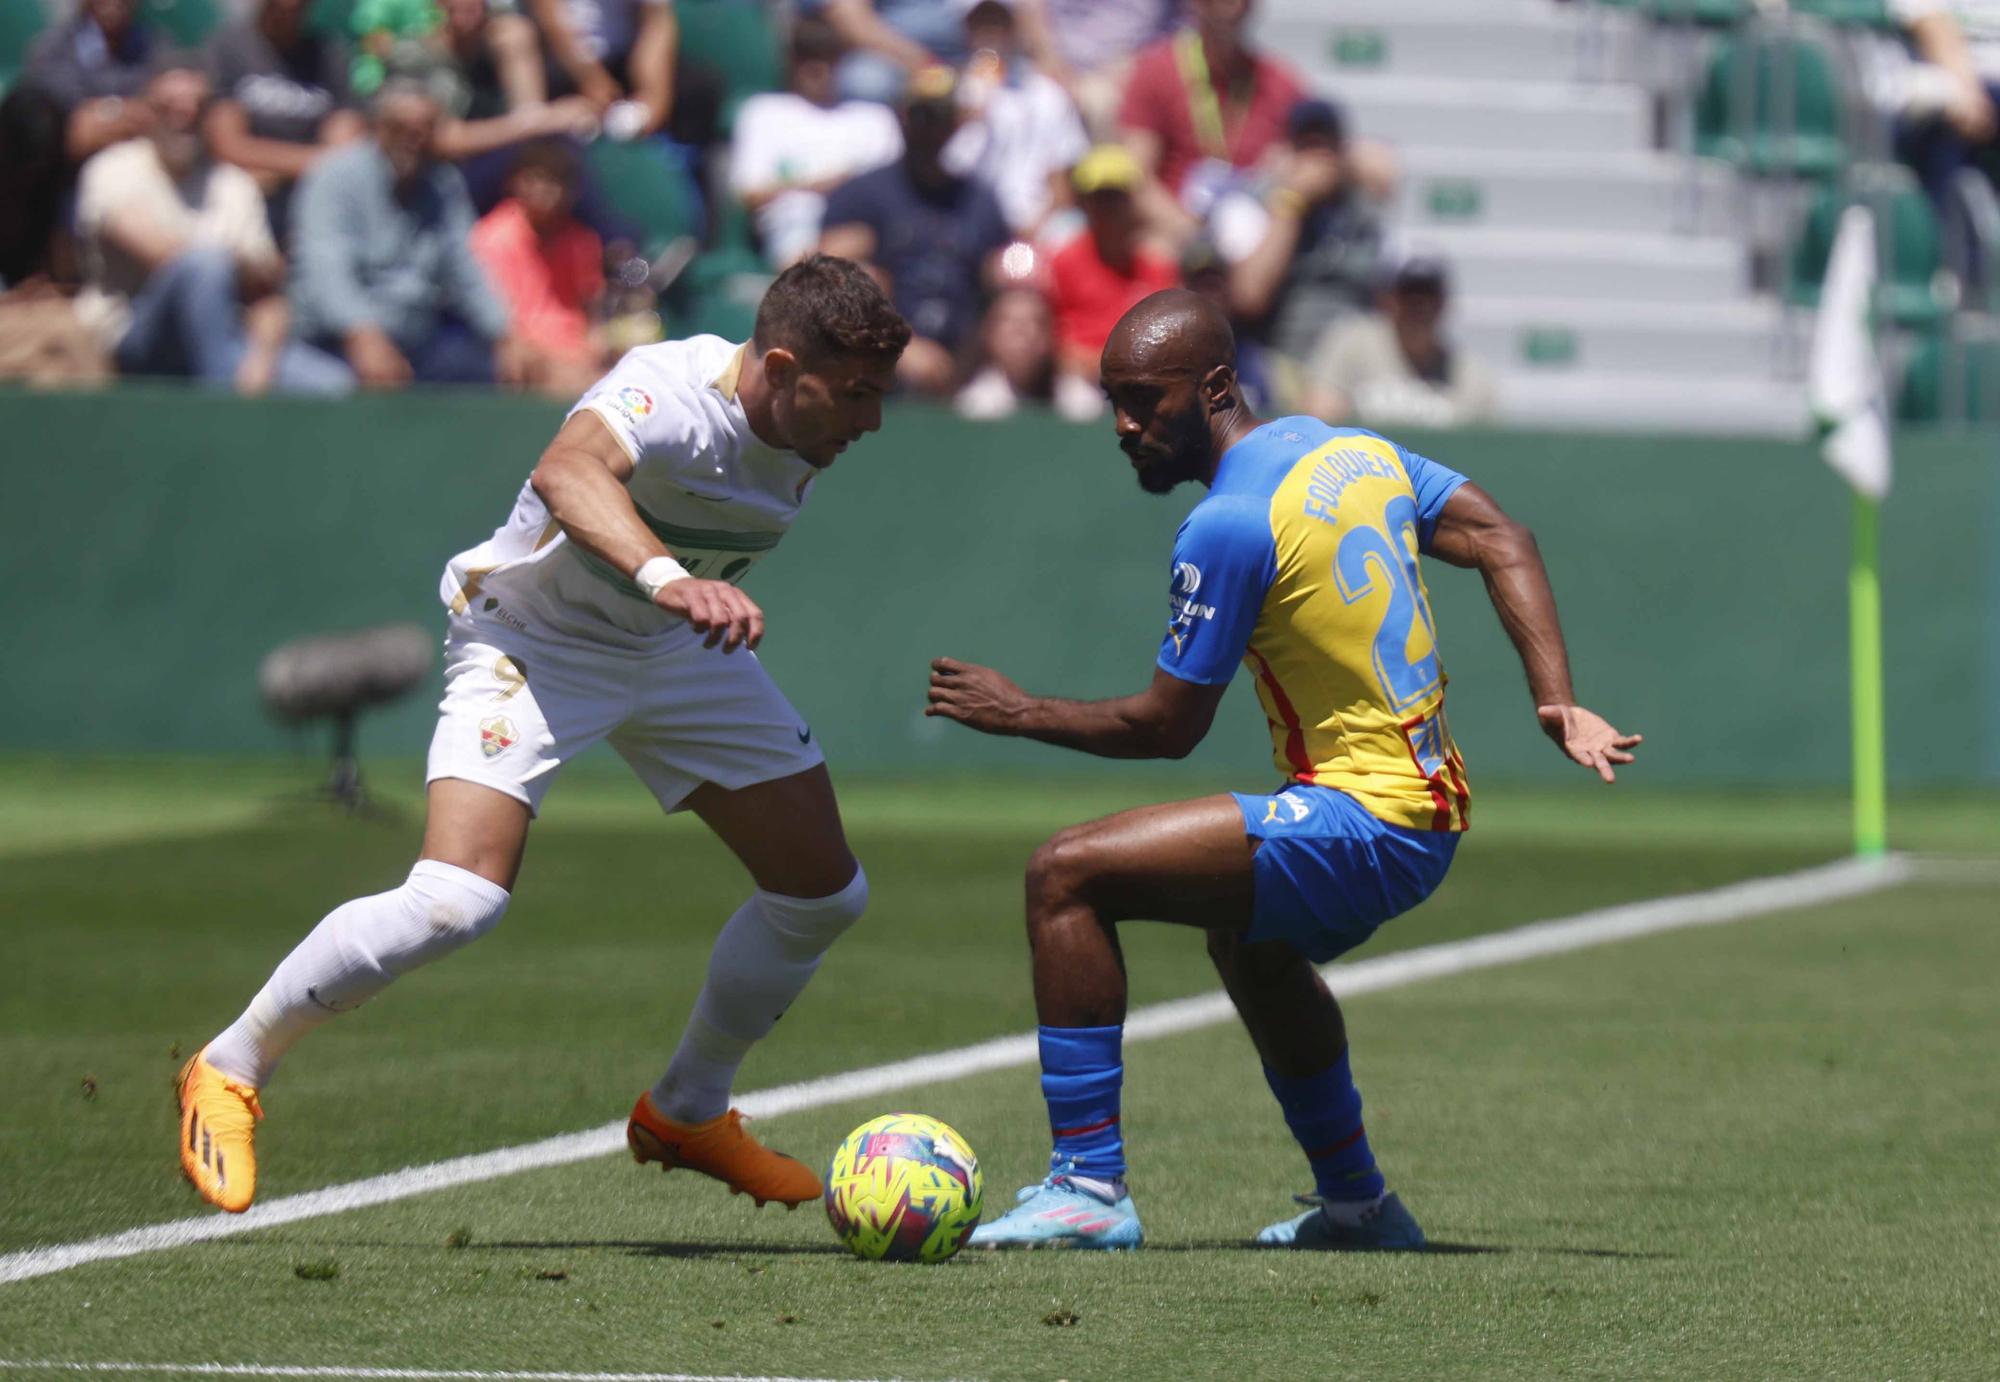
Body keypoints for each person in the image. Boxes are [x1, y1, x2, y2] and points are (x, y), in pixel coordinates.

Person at [176, 255, 912, 1216]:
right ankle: (229, 1066)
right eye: (855, 394)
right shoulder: (670, 389)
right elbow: (567, 468)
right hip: (533, 641)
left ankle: (688, 1109)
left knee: (823, 896)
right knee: (456, 900)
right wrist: (666, 579)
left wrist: (669, 602)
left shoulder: (803, 429)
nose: (872, 421)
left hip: (675, 650)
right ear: (778, 364)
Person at [926, 288, 1640, 1251]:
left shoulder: (1229, 523)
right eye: (1113, 401)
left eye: (1146, 400)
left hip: (1368, 820)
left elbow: (1165, 726)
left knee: (1066, 874)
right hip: (1420, 814)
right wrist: (1554, 696)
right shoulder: (1355, 452)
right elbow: (1503, 536)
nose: (1125, 426)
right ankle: (1358, 1205)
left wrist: (1018, 713)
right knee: (1251, 947)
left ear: (1216, 386)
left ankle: (1086, 1188)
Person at [73, 58, 351, 394]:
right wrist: (237, 266)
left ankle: (229, 389)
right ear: (147, 111)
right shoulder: (113, 169)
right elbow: (164, 255)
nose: (184, 116)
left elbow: (267, 296)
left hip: (227, 337)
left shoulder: (235, 186)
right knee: (202, 266)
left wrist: (261, 361)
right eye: (169, 106)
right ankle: (225, 418)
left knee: (335, 385)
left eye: (197, 107)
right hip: (133, 336)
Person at [289, 79, 528, 389]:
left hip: (417, 341)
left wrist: (503, 334)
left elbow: (466, 264)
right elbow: (328, 271)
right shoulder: (335, 176)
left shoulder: (443, 184)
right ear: (377, 127)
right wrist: (361, 334)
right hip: (335, 341)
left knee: (503, 373)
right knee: (345, 384)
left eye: (425, 128)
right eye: (399, 127)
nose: (413, 138)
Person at [819, 66, 1013, 395]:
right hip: (878, 361)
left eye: (939, 117)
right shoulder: (862, 195)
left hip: (968, 363)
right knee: (857, 274)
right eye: (920, 115)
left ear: (956, 124)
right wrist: (901, 346)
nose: (930, 128)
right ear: (901, 116)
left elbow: (1004, 277)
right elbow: (818, 279)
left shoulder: (981, 201)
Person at [1210, 98, 1384, 393]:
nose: (1316, 159)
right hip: (1276, 364)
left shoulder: (1362, 212)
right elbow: (1249, 296)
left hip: (1349, 372)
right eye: (1306, 145)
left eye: (1325, 147)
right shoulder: (1252, 203)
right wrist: (1292, 201)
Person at [1115, 0, 1303, 238]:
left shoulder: (1279, 82)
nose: (1231, 6)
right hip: (1174, 233)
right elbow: (1136, 177)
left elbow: (1315, 161)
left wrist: (1283, 172)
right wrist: (1193, 235)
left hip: (1253, 229)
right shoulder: (1156, 71)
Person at [729, 16, 904, 267]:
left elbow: (897, 194)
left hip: (868, 233)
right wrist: (832, 183)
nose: (819, 66)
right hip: (797, 231)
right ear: (791, 59)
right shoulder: (763, 112)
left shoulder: (875, 118)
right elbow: (750, 193)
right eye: (807, 54)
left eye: (829, 55)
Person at [1044, 144, 1177, 420]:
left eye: (1116, 198)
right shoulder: (1062, 261)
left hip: (1143, 380)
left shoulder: (1155, 268)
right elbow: (1048, 336)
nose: (1109, 209)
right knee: (1078, 402)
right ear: (1085, 203)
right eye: (1100, 198)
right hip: (1080, 380)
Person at [471, 138, 612, 397]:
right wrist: (555, 362)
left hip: (580, 358)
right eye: (535, 179)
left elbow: (591, 310)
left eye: (554, 182)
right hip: (528, 358)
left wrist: (598, 345)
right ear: (516, 182)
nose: (544, 190)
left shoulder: (581, 240)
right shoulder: (491, 237)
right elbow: (501, 323)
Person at [1301, 256, 1498, 430]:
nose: (1419, 307)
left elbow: (1482, 447)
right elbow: (1319, 418)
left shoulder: (1468, 375)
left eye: (1429, 296)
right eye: (1408, 296)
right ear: (1386, 300)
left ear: (1444, 304)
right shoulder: (1353, 343)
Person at [950, 0, 1089, 238]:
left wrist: (1033, 227)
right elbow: (939, 174)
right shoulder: (948, 95)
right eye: (980, 26)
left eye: (998, 26)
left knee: (1069, 232)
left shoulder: (1047, 95)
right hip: (966, 219)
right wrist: (965, 117)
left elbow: (1061, 186)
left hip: (1034, 222)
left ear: (1014, 30)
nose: (990, 36)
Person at [204, 0, 366, 196]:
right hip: (248, 196)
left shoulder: (329, 56)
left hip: (314, 196)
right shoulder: (228, 48)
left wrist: (275, 172)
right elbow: (227, 146)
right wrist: (313, 163)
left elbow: (344, 154)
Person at [22, 0, 160, 163]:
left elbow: (157, 114)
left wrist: (107, 114)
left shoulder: (157, 47)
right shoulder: (51, 51)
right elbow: (74, 127)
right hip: (70, 173)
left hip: (139, 164)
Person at [815, 0, 970, 106]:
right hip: (893, 58)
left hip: (970, 57)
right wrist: (927, 65)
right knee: (865, 82)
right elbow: (849, 19)